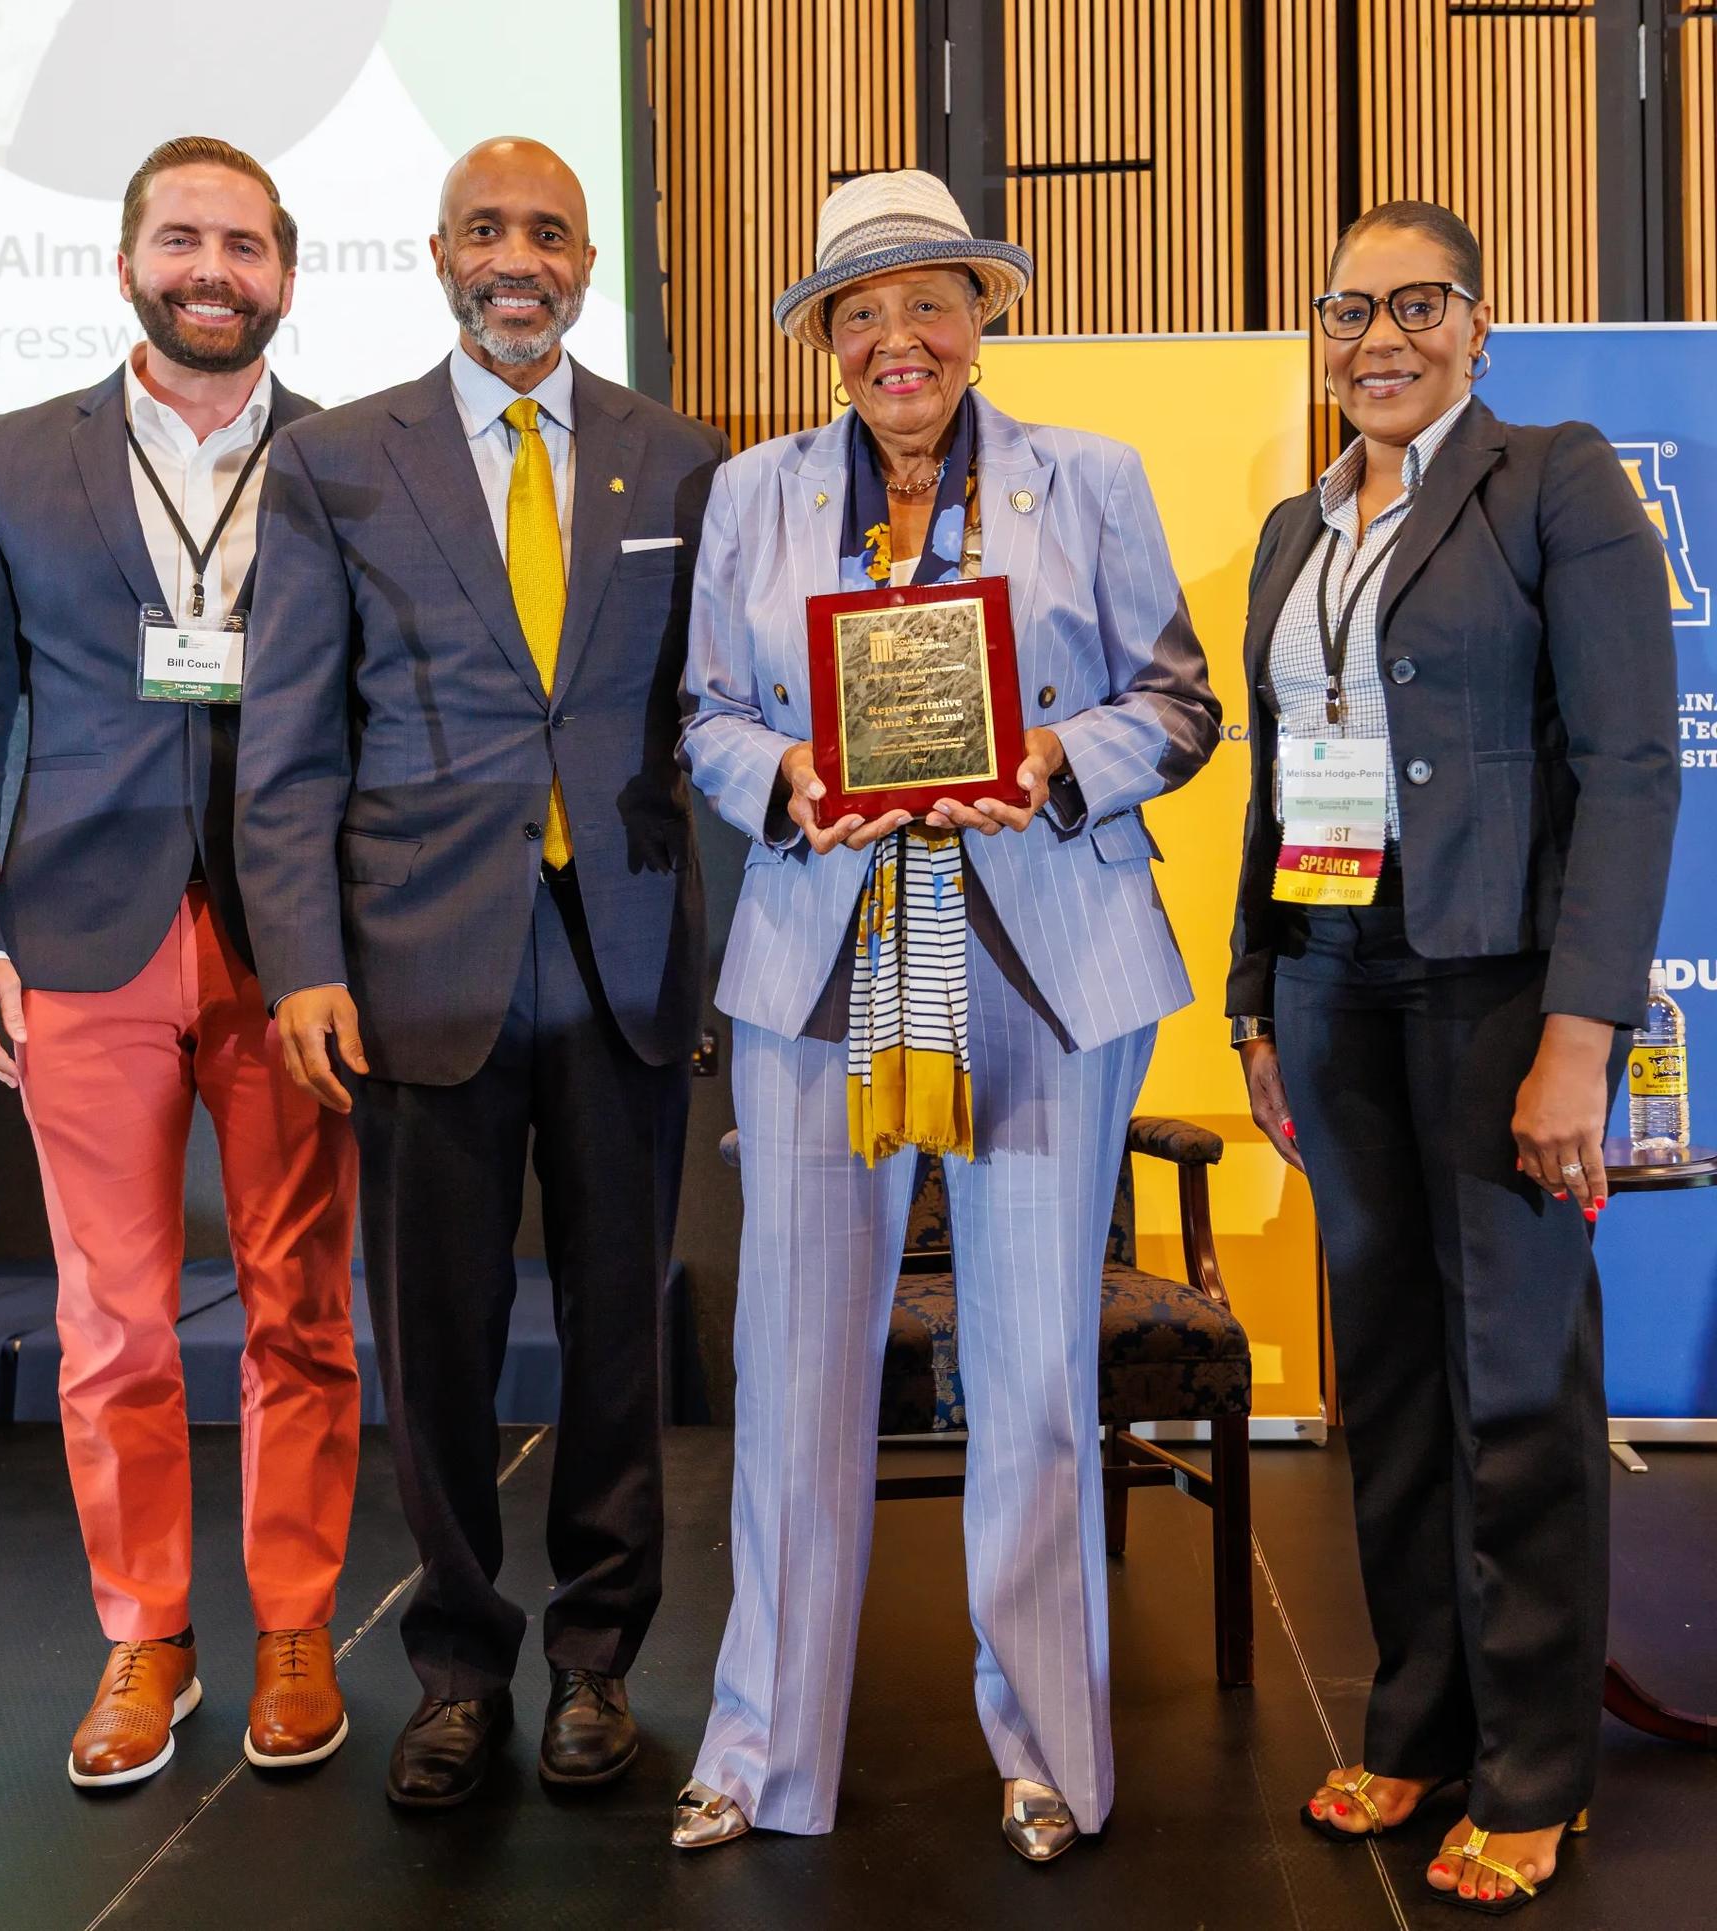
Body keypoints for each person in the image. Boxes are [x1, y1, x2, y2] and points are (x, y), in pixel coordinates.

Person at [672, 169, 1219, 1862]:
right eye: (860, 311)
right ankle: (762, 1755)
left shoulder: (1092, 481)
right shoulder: (751, 495)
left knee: (1038, 1374)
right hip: (818, 970)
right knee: (792, 1375)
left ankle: (1048, 1745)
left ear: (984, 316)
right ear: (826, 342)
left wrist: (1057, 761)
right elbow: (702, 713)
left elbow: (1181, 703)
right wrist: (786, 779)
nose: (896, 337)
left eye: (929, 302)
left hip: (1043, 965)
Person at [235, 137, 725, 1810]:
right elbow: (287, 745)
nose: (519, 257)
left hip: (629, 959)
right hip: (416, 968)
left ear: (591, 260)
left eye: (551, 232)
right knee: (429, 1345)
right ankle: (454, 1664)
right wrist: (298, 957)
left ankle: (598, 1664)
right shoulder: (332, 463)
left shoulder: (682, 461)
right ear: (439, 253)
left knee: (618, 1340)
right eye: (488, 230)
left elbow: (711, 717)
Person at [1228, 199, 1679, 1912]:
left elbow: (1633, 770)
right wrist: (1259, 994)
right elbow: (1285, 779)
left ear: (1479, 326)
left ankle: (1537, 1765)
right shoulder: (1294, 527)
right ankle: (1417, 1714)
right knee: (1396, 1383)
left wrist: (1580, 1038)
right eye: (1350, 311)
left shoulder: (1552, 480)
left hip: (1496, 992)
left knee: (1515, 1387)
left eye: (1418, 305)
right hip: (1337, 981)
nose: (1381, 339)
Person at [0, 136, 361, 1787]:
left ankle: (297, 1621)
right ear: (126, 264)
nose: (212, 270)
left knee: (305, 1307)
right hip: (79, 938)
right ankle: (147, 1635)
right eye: (182, 240)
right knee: (113, 1326)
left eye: (244, 245)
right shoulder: (13, 456)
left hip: (293, 941)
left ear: (287, 274)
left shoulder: (349, 458)